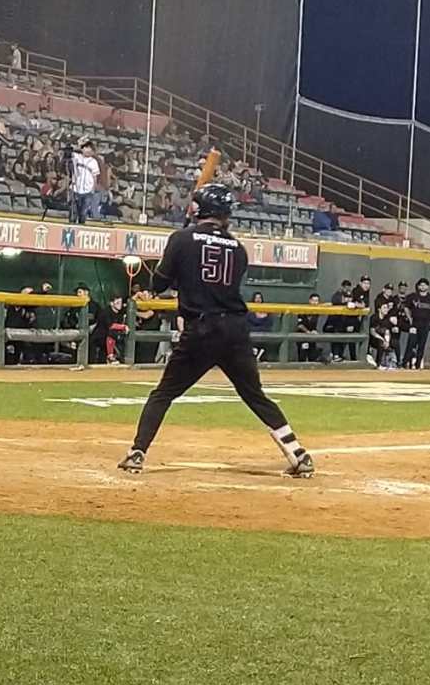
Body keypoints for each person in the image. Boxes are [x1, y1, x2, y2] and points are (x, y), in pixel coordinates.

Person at [117, 182, 313, 478]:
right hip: (235, 331)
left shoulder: (181, 239)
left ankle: (137, 452)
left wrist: (169, 261)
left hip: (202, 329)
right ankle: (298, 454)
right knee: (255, 395)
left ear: (198, 209)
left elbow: (159, 284)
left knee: (163, 394)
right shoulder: (239, 249)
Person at [403, 277, 430, 369]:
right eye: (421, 285)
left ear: (427, 286)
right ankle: (404, 363)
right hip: (415, 323)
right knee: (411, 344)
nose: (423, 286)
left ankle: (417, 365)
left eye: (424, 285)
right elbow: (406, 307)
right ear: (419, 286)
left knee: (421, 345)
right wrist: (409, 318)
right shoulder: (413, 296)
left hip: (425, 324)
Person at [70, 140, 99, 224]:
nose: (88, 150)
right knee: (73, 213)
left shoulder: (94, 162)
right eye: (86, 148)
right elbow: (69, 151)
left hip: (87, 190)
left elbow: (95, 176)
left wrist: (93, 188)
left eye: (90, 148)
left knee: (83, 214)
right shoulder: (77, 156)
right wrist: (79, 144)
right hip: (75, 188)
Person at [295, 293, 325, 364]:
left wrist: (314, 331)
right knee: (302, 356)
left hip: (312, 337)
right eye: (313, 300)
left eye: (317, 301)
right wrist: (308, 332)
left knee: (312, 356)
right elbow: (300, 325)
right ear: (309, 301)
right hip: (302, 336)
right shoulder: (302, 310)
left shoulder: (317, 312)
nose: (315, 303)